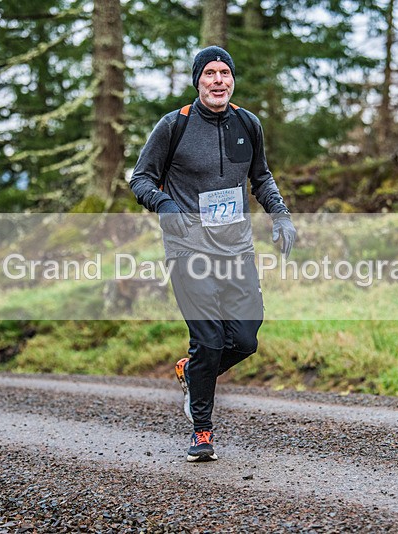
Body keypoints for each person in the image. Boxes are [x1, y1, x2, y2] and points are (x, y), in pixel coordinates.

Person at [129, 46, 296, 462]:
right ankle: (202, 431)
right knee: (207, 338)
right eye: (210, 74)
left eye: (225, 73)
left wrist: (281, 215)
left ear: (232, 79)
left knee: (244, 337)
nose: (218, 80)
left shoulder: (247, 123)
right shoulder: (174, 126)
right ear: (197, 81)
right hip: (188, 249)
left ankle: (193, 372)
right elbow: (141, 179)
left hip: (235, 247)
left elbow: (261, 177)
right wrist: (166, 206)